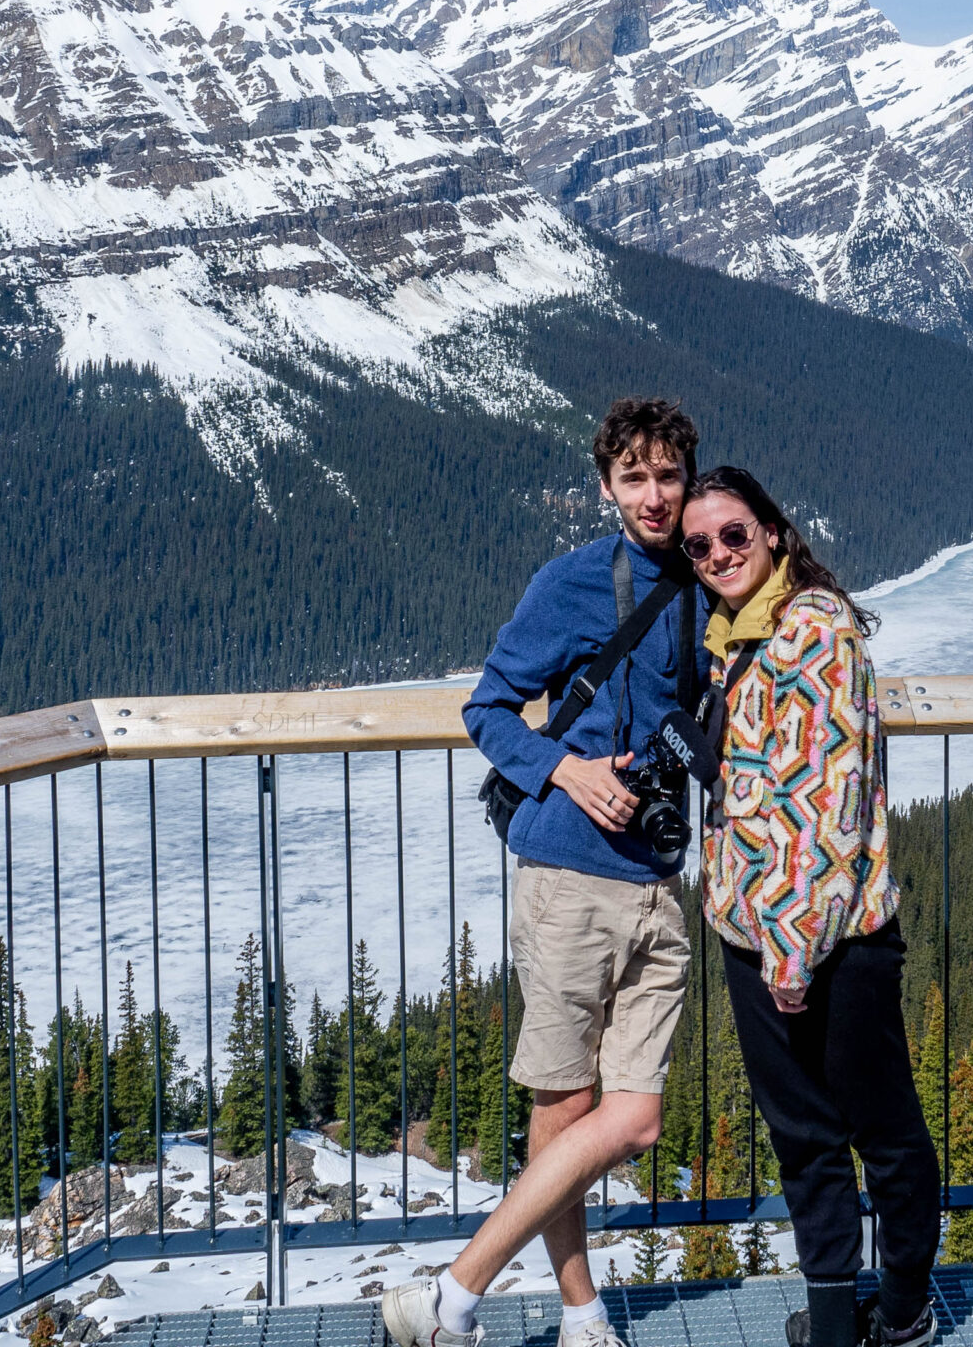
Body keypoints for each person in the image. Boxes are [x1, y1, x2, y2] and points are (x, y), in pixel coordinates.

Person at [381, 398, 707, 1347]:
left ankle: (452, 1294)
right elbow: (486, 709)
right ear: (607, 486)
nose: (654, 496)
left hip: (657, 878)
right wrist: (563, 767)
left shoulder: (703, 582)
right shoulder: (569, 585)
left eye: (668, 476)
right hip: (567, 879)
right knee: (564, 1109)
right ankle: (581, 1314)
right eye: (635, 478)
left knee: (634, 1119)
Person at [683, 466, 940, 1347]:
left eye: (734, 535)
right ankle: (834, 1321)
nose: (718, 553)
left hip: (833, 939)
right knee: (804, 1138)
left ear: (775, 533)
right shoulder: (732, 637)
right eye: (700, 544)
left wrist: (791, 955)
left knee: (882, 1131)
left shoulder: (815, 633)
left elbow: (826, 809)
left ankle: (903, 1312)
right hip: (750, 932)